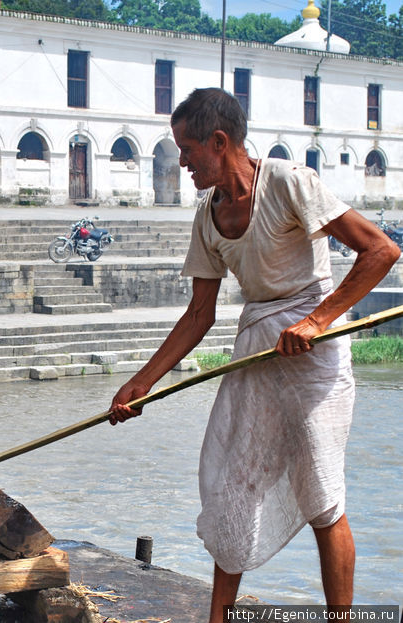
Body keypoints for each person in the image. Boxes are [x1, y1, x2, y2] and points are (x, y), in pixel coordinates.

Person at [107, 88, 399, 621]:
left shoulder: (288, 182)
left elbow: (380, 250)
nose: (183, 160)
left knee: (323, 495)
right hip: (260, 351)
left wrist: (315, 321)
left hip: (316, 354)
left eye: (188, 148)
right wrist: (142, 383)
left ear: (219, 142)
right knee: (234, 486)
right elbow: (199, 314)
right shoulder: (208, 217)